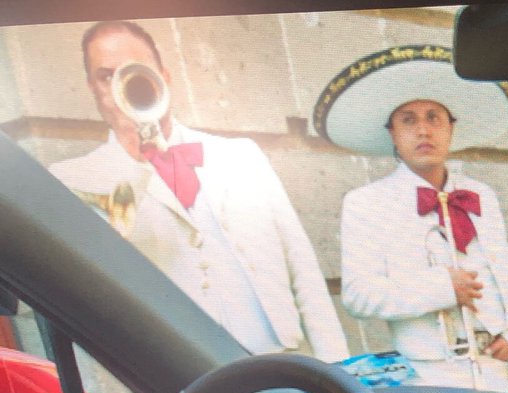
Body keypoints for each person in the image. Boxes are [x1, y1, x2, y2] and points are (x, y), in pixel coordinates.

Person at [50, 20, 347, 363]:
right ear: (92, 88)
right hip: (182, 372)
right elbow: (95, 291)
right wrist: (135, 157)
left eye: (135, 71)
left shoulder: (241, 154)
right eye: (106, 76)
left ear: (164, 76)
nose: (121, 86)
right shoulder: (75, 179)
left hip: (282, 357)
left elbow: (301, 264)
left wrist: (337, 366)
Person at [318, 44, 508, 393]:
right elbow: (359, 296)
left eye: (434, 118)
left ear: (450, 129)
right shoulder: (367, 203)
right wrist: (442, 288)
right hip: (428, 375)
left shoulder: (480, 194)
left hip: (493, 367)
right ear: (393, 133)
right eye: (409, 120)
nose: (423, 130)